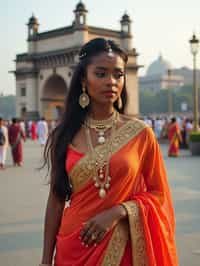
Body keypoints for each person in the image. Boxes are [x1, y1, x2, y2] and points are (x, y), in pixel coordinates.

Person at [40, 38, 178, 266]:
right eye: (101, 73)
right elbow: (56, 199)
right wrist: (46, 260)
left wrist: (119, 211)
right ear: (84, 79)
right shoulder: (64, 135)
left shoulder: (141, 134)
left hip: (123, 246)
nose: (111, 82)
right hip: (73, 246)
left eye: (118, 74)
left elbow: (158, 195)